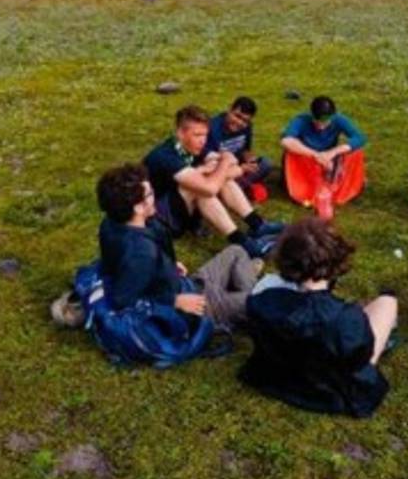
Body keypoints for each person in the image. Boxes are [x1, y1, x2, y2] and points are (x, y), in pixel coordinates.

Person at [239, 218, 397, 417]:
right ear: (337, 260)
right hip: (329, 393)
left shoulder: (261, 301)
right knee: (387, 302)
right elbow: (359, 359)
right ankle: (386, 316)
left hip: (273, 379)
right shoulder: (345, 318)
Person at [96, 163, 260, 331]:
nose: (155, 197)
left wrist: (167, 266)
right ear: (138, 207)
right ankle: (244, 298)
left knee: (236, 251)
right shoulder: (141, 253)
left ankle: (241, 290)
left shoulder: (111, 222)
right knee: (259, 302)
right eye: (151, 194)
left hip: (184, 284)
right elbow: (123, 300)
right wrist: (174, 301)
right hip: (194, 306)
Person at [144, 105, 283, 258]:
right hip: (158, 221)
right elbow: (212, 185)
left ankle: (257, 225)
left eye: (205, 135)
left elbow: (231, 165)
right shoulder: (166, 156)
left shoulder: (190, 147)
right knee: (203, 187)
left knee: (217, 177)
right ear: (180, 133)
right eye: (197, 135)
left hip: (182, 209)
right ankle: (243, 242)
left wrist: (220, 167)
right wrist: (221, 165)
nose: (203, 141)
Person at [280, 96, 367, 207]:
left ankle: (342, 185)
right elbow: (286, 140)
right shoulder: (301, 120)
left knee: (356, 151)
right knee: (291, 153)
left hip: (329, 157)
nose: (321, 127)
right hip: (307, 159)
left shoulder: (338, 119)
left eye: (325, 123)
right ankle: (302, 188)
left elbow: (360, 138)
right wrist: (315, 155)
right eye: (317, 122)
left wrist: (333, 153)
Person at [206, 96, 274, 202]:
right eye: (237, 116)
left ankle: (236, 187)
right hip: (218, 169)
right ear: (229, 110)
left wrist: (250, 159)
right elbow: (209, 162)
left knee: (266, 164)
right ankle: (238, 188)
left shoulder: (247, 127)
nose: (239, 123)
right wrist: (240, 169)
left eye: (245, 121)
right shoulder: (212, 128)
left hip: (238, 167)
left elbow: (245, 150)